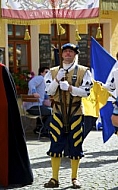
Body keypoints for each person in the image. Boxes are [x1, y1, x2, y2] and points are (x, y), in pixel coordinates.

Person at [44, 43, 93, 188]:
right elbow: (49, 91)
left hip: (75, 112)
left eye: (71, 52)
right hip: (58, 112)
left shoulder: (84, 71)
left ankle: (74, 178)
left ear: (75, 54)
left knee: (76, 144)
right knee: (55, 144)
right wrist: (57, 80)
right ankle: (54, 178)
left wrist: (71, 88)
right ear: (61, 54)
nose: (67, 54)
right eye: (65, 51)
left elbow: (86, 92)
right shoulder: (52, 72)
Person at [0, 48, 33, 187]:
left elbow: (9, 98)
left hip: (1, 117)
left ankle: (5, 176)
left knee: (2, 145)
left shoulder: (1, 70)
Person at [24, 66, 52, 136]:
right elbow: (31, 83)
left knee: (49, 110)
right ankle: (44, 130)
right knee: (53, 112)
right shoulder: (40, 78)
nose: (48, 74)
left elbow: (44, 94)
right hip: (34, 107)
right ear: (41, 73)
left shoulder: (44, 82)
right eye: (46, 72)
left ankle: (39, 128)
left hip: (36, 106)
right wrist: (34, 92)